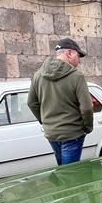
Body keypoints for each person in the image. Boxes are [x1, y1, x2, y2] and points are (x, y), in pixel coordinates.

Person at [28, 37, 93, 165]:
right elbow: (87, 108)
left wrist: (45, 121)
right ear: (69, 53)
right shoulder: (76, 76)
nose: (79, 61)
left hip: (51, 133)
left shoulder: (38, 75)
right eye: (78, 56)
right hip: (72, 133)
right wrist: (87, 127)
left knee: (62, 169)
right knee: (70, 174)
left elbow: (31, 103)